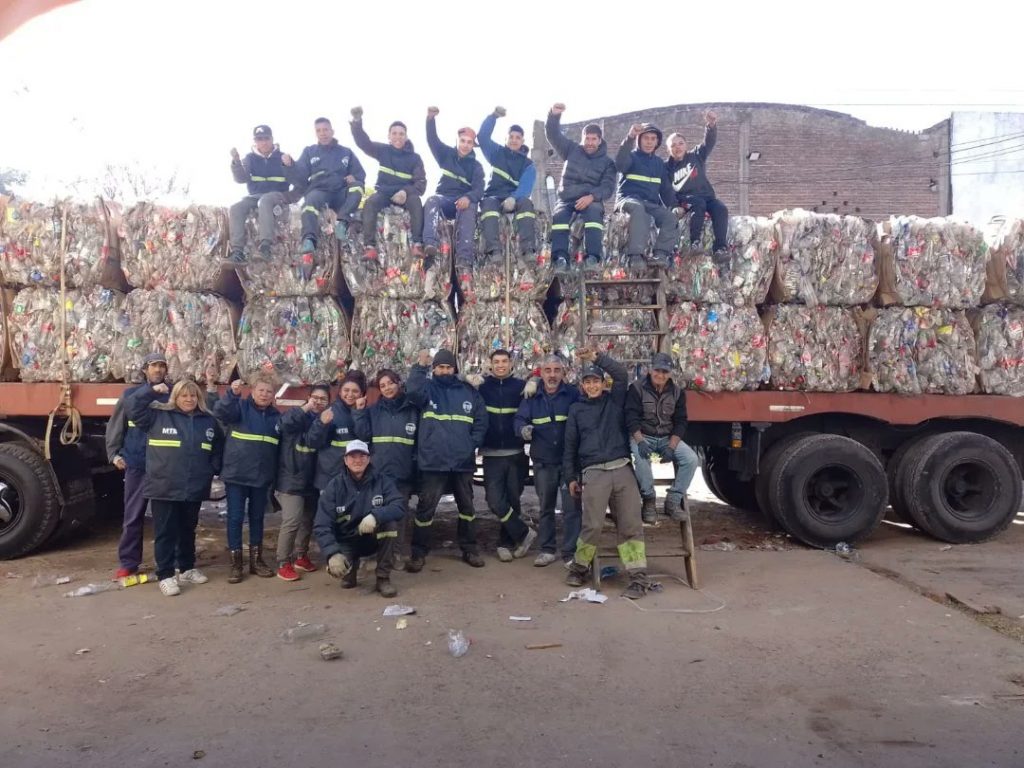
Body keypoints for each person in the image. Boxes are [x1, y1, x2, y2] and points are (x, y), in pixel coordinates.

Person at [562, 348, 654, 599]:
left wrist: (596, 358)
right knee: (592, 525)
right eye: (588, 382)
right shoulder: (576, 410)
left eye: (596, 381)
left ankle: (638, 577)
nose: (592, 386)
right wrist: (571, 477)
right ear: (582, 386)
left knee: (631, 525)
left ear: (603, 384)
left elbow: (621, 374)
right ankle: (579, 568)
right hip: (593, 473)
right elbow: (569, 447)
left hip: (622, 468)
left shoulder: (614, 401)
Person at [127, 379, 223, 597]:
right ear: (175, 398)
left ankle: (187, 567)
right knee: (165, 532)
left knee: (188, 529)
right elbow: (132, 406)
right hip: (164, 486)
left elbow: (218, 445)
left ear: (198, 398)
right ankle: (166, 575)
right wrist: (150, 391)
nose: (189, 400)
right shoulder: (157, 416)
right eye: (184, 396)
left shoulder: (207, 421)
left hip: (194, 485)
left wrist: (211, 468)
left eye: (193, 396)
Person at [405, 349, 488, 571]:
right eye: (440, 367)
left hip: (462, 462)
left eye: (448, 367)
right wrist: (419, 366)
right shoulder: (427, 389)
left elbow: (481, 419)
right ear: (434, 369)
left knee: (467, 508)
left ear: (455, 369)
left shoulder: (468, 392)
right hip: (434, 461)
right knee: (425, 509)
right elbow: (411, 392)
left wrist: (472, 444)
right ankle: (418, 552)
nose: (444, 371)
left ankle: (469, 549)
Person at [106, 351, 170, 580]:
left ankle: (168, 562)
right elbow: (117, 425)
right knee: (133, 516)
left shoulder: (173, 396)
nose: (159, 370)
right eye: (154, 366)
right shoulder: (131, 395)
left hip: (164, 466)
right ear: (145, 370)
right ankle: (129, 562)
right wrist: (113, 453)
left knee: (166, 518)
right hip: (137, 463)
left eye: (162, 366)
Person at [213, 373, 282, 584]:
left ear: (273, 395)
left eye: (269, 391)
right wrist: (231, 394)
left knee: (257, 519)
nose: (264, 394)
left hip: (261, 477)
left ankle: (256, 561)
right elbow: (220, 411)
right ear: (252, 390)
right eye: (261, 390)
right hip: (237, 475)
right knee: (235, 518)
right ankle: (236, 564)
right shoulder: (239, 408)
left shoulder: (275, 417)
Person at [513, 354, 581, 567]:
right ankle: (547, 549)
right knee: (546, 507)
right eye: (548, 370)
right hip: (543, 462)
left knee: (572, 508)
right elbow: (519, 419)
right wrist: (523, 430)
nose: (552, 375)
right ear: (540, 373)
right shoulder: (531, 396)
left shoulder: (572, 395)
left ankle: (570, 552)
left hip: (569, 462)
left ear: (563, 373)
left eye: (556, 370)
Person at [313, 440, 404, 597]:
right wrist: (332, 554)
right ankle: (351, 568)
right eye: (352, 456)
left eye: (362, 456)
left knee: (390, 524)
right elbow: (322, 524)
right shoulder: (334, 486)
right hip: (346, 540)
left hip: (371, 538)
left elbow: (399, 506)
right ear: (345, 460)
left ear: (368, 459)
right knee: (343, 577)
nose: (358, 460)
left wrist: (376, 516)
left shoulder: (382, 480)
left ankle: (383, 578)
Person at [352, 369, 419, 571]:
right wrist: (359, 412)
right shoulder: (373, 411)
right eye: (382, 385)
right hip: (378, 474)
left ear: (398, 383)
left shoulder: (412, 411)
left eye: (390, 383)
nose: (387, 388)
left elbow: (418, 444)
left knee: (399, 516)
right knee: (374, 514)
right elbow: (362, 436)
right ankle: (374, 553)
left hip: (403, 473)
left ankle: (396, 554)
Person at [474, 349, 538, 562]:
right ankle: (523, 533)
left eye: (504, 361)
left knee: (513, 500)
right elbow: (452, 377)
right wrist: (466, 378)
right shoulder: (483, 386)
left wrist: (534, 382)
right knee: (494, 500)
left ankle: (506, 543)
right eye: (496, 361)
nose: (500, 365)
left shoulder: (520, 387)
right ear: (490, 364)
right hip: (491, 453)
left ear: (511, 363)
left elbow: (548, 381)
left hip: (516, 452)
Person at [624, 352, 698, 523]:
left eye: (665, 371)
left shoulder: (677, 393)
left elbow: (681, 421)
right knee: (640, 460)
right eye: (657, 370)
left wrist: (672, 446)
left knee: (691, 459)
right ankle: (649, 500)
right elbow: (631, 417)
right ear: (650, 370)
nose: (660, 375)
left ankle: (673, 500)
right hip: (643, 436)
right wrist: (640, 441)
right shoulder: (636, 388)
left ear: (670, 373)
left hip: (666, 437)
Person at [544, 102, 616, 273]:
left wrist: (592, 197)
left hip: (591, 199)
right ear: (582, 139)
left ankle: (592, 257)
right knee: (559, 217)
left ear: (599, 140)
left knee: (593, 216)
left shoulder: (607, 163)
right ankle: (560, 258)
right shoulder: (571, 149)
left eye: (593, 139)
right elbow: (553, 134)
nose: (590, 142)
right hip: (567, 198)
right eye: (587, 139)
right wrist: (554, 115)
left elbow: (607, 188)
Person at [349, 107, 427, 262]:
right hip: (384, 193)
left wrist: (405, 191)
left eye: (401, 134)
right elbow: (363, 143)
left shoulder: (415, 158)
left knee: (416, 202)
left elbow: (421, 183)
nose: (398, 137)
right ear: (389, 136)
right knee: (370, 203)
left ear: (406, 136)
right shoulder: (383, 150)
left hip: (406, 194)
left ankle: (417, 244)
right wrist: (357, 122)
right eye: (394, 133)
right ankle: (370, 248)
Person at [274, 382, 331, 582]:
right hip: (290, 478)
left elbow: (316, 443)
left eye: (323, 399)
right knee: (292, 520)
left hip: (311, 480)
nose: (318, 402)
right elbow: (284, 424)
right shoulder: (297, 416)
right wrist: (306, 408)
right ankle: (283, 562)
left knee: (308, 520)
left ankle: (301, 556)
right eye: (314, 398)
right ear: (308, 398)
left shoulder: (324, 420)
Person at [423, 107, 485, 270]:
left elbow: (479, 190)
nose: (465, 145)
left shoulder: (476, 167)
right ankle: (430, 243)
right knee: (431, 201)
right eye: (462, 141)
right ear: (457, 140)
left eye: (469, 142)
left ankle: (464, 257)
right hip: (444, 198)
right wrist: (430, 119)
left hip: (463, 203)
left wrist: (468, 198)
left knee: (471, 206)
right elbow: (432, 140)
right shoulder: (445, 154)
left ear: (473, 145)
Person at [293, 117, 367, 253]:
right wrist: (288, 165)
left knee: (357, 186)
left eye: (325, 130)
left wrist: (354, 177)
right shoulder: (309, 151)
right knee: (309, 203)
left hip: (341, 190)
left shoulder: (346, 152)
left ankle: (342, 223)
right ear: (315, 133)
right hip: (319, 190)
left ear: (332, 131)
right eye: (319, 131)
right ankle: (309, 239)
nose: (323, 133)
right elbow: (299, 176)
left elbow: (360, 173)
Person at [228, 125, 295, 263]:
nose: (263, 142)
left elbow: (297, 178)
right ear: (255, 141)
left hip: (278, 194)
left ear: (272, 139)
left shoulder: (282, 157)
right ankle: (237, 252)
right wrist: (236, 163)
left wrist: (290, 166)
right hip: (255, 195)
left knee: (265, 201)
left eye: (266, 138)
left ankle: (265, 246)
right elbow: (241, 178)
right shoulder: (250, 159)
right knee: (236, 208)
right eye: (259, 139)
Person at [477, 106, 537, 260]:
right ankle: (494, 250)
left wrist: (513, 198)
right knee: (488, 205)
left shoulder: (528, 164)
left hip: (514, 198)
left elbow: (526, 187)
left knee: (526, 204)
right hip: (494, 196)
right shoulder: (497, 153)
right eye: (511, 137)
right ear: (506, 139)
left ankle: (528, 249)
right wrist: (493, 117)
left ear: (522, 141)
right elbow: (482, 137)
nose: (514, 140)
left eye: (517, 137)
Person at [614, 122, 678, 267]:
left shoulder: (658, 163)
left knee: (670, 217)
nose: (649, 142)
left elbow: (666, 190)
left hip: (650, 203)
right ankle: (636, 256)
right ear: (639, 140)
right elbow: (619, 164)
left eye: (653, 139)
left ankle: (660, 255)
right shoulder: (631, 157)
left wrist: (676, 206)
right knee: (639, 210)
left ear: (657, 142)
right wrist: (630, 137)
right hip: (628, 200)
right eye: (646, 138)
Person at [666, 110, 729, 255]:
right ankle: (695, 242)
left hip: (707, 197)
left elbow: (709, 142)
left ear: (686, 145)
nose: (678, 147)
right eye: (673, 145)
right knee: (698, 203)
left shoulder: (696, 156)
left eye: (680, 143)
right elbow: (665, 191)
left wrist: (711, 125)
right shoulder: (666, 167)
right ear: (669, 149)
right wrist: (675, 206)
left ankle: (720, 247)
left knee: (721, 208)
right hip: (686, 199)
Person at [307, 371, 367, 492]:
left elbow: (365, 437)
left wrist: (359, 413)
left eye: (355, 391)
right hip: (330, 479)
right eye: (346, 390)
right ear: (339, 392)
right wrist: (321, 424)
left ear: (362, 394)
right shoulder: (330, 412)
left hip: (356, 479)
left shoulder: (365, 413)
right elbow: (312, 442)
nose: (350, 394)